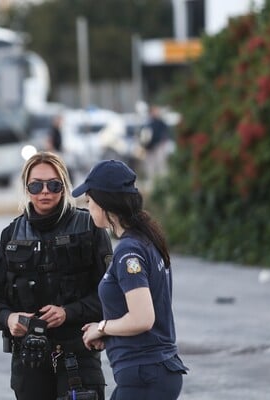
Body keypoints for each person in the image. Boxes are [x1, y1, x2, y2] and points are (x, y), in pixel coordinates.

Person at [0, 151, 113, 400]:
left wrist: (68, 312)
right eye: (36, 185)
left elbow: (113, 295)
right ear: (27, 189)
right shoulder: (12, 234)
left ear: (64, 185)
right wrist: (9, 318)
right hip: (29, 360)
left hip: (78, 355)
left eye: (53, 184)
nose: (45, 192)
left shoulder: (90, 228)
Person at [73, 159, 188, 399]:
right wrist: (111, 335)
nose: (88, 205)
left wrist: (101, 327)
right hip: (152, 372)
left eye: (90, 200)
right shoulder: (145, 240)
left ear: (105, 203)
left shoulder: (129, 251)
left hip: (145, 374)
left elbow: (142, 318)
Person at [141, 105, 173, 188]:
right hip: (149, 147)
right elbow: (144, 136)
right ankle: (152, 183)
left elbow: (165, 133)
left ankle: (163, 183)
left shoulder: (160, 122)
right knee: (150, 167)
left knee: (161, 165)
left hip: (158, 146)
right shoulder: (148, 122)